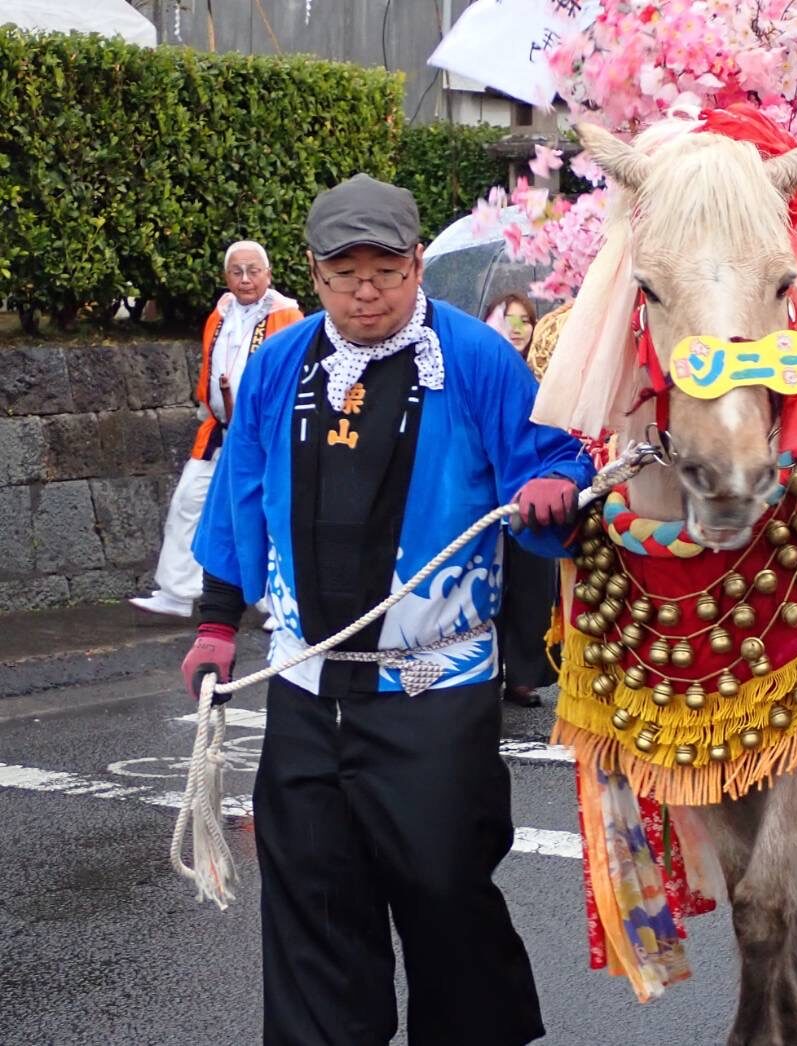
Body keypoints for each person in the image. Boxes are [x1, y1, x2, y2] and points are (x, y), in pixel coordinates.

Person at [183, 174, 594, 1044]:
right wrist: (217, 622)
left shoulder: (476, 358)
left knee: (446, 892)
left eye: (384, 270)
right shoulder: (278, 363)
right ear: (313, 272)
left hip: (435, 686)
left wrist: (554, 487)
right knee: (313, 902)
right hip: (305, 683)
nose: (365, 290)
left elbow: (542, 453)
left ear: (417, 265)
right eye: (343, 273)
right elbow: (239, 490)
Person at [129, 242, 302, 619]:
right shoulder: (219, 315)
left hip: (264, 437)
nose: (245, 279)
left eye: (253, 271)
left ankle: (275, 603)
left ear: (268, 274)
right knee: (189, 502)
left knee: (266, 515)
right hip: (220, 429)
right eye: (237, 271)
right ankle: (177, 591)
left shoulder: (288, 316)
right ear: (226, 278)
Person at [484, 292, 559, 704]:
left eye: (525, 320)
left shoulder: (550, 370)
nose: (516, 328)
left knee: (533, 587)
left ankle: (524, 673)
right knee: (488, 582)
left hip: (535, 490)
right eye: (506, 318)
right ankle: (489, 667)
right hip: (489, 493)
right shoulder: (482, 369)